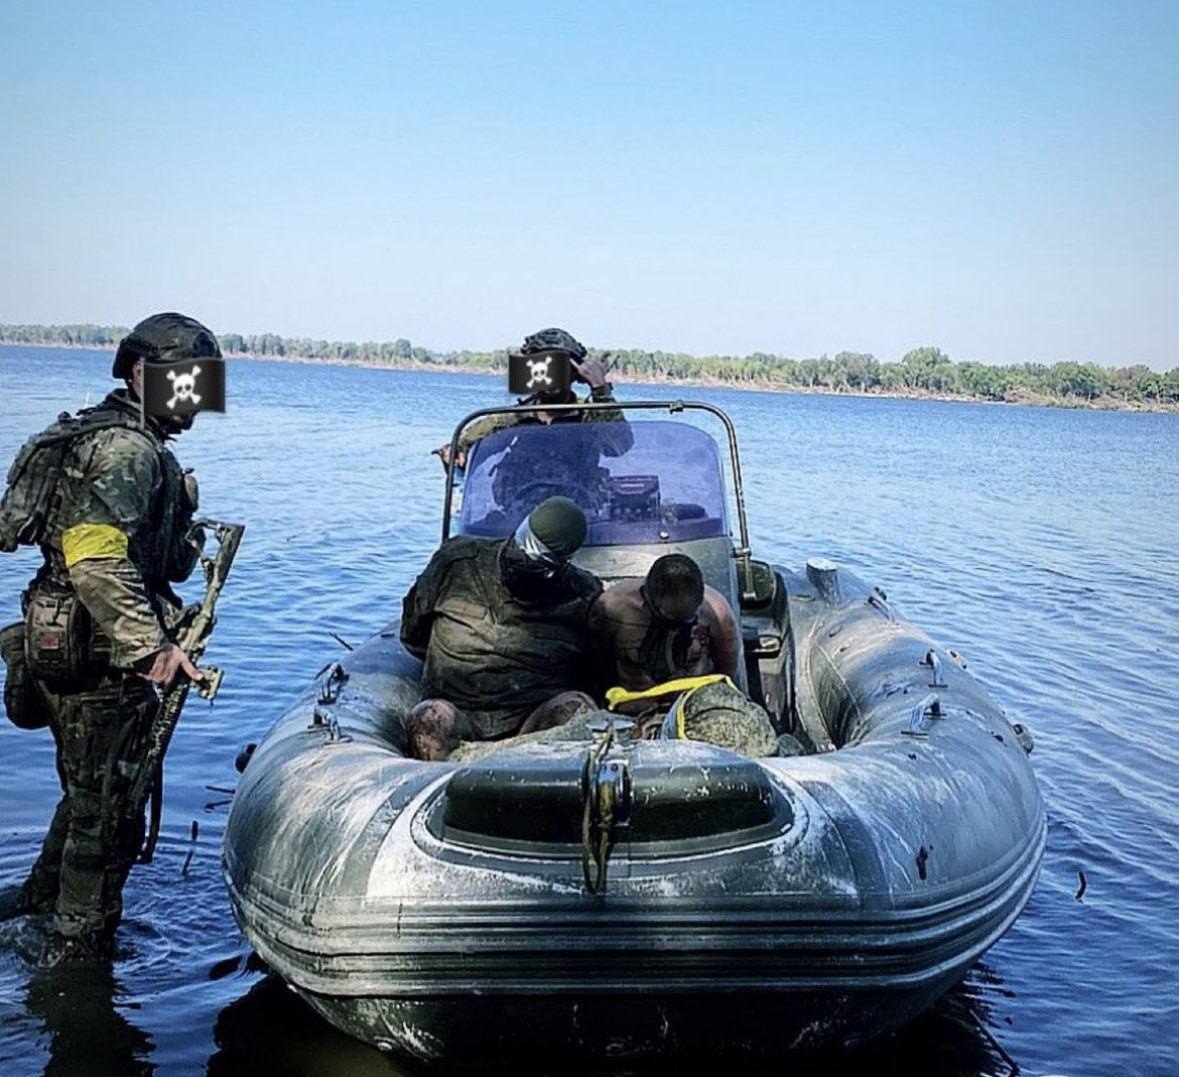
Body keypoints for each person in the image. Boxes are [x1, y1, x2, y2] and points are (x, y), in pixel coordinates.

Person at [0, 312, 214, 964]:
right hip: (96, 652)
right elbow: (93, 555)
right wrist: (153, 647)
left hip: (60, 635)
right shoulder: (127, 450)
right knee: (109, 813)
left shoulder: (96, 435)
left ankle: (38, 902)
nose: (195, 398)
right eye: (184, 381)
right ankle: (77, 954)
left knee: (86, 793)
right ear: (140, 373)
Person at [400, 496, 601, 760]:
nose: (525, 564)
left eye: (540, 563)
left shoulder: (582, 593)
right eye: (523, 553)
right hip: (458, 710)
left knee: (577, 710)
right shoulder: (456, 562)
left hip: (533, 720)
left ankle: (554, 793)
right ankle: (442, 789)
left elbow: (591, 668)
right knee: (430, 719)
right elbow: (413, 632)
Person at [434, 326, 633, 474]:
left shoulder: (588, 416)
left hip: (578, 513)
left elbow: (620, 446)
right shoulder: (513, 418)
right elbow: (464, 448)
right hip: (518, 512)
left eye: (558, 367)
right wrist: (455, 454)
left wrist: (600, 389)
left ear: (574, 373)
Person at [589, 553, 741, 721]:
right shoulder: (612, 608)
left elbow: (727, 672)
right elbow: (594, 667)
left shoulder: (717, 613)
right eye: (669, 617)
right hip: (634, 712)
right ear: (647, 598)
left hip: (695, 710)